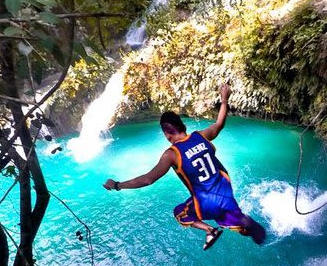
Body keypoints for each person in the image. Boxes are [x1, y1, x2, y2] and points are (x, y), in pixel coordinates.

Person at [104, 84, 266, 250]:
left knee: (180, 212)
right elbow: (219, 124)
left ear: (167, 133)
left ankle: (210, 230)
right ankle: (250, 230)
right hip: (225, 191)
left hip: (205, 201)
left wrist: (117, 185)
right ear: (181, 126)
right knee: (236, 220)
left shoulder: (172, 154)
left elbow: (148, 179)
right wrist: (224, 100)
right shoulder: (201, 136)